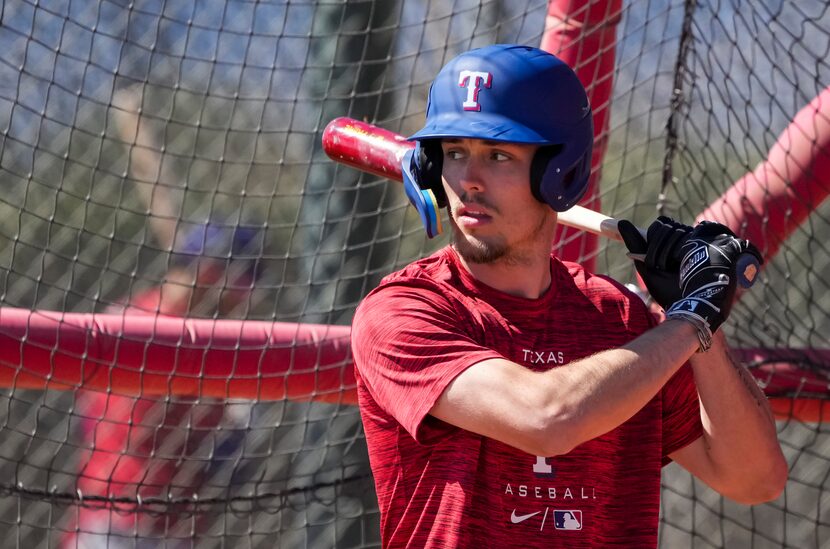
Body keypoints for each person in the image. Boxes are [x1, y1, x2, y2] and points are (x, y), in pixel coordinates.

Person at [350, 44, 786, 548]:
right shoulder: (405, 311)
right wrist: (688, 322)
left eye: (498, 156)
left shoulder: (619, 319)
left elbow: (755, 478)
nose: (468, 182)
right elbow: (545, 419)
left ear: (560, 172)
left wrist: (701, 318)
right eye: (453, 153)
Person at [65, 222, 263, 547]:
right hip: (137, 523)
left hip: (111, 515)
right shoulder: (184, 340)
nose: (241, 304)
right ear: (210, 275)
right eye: (238, 290)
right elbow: (210, 448)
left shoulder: (133, 310)